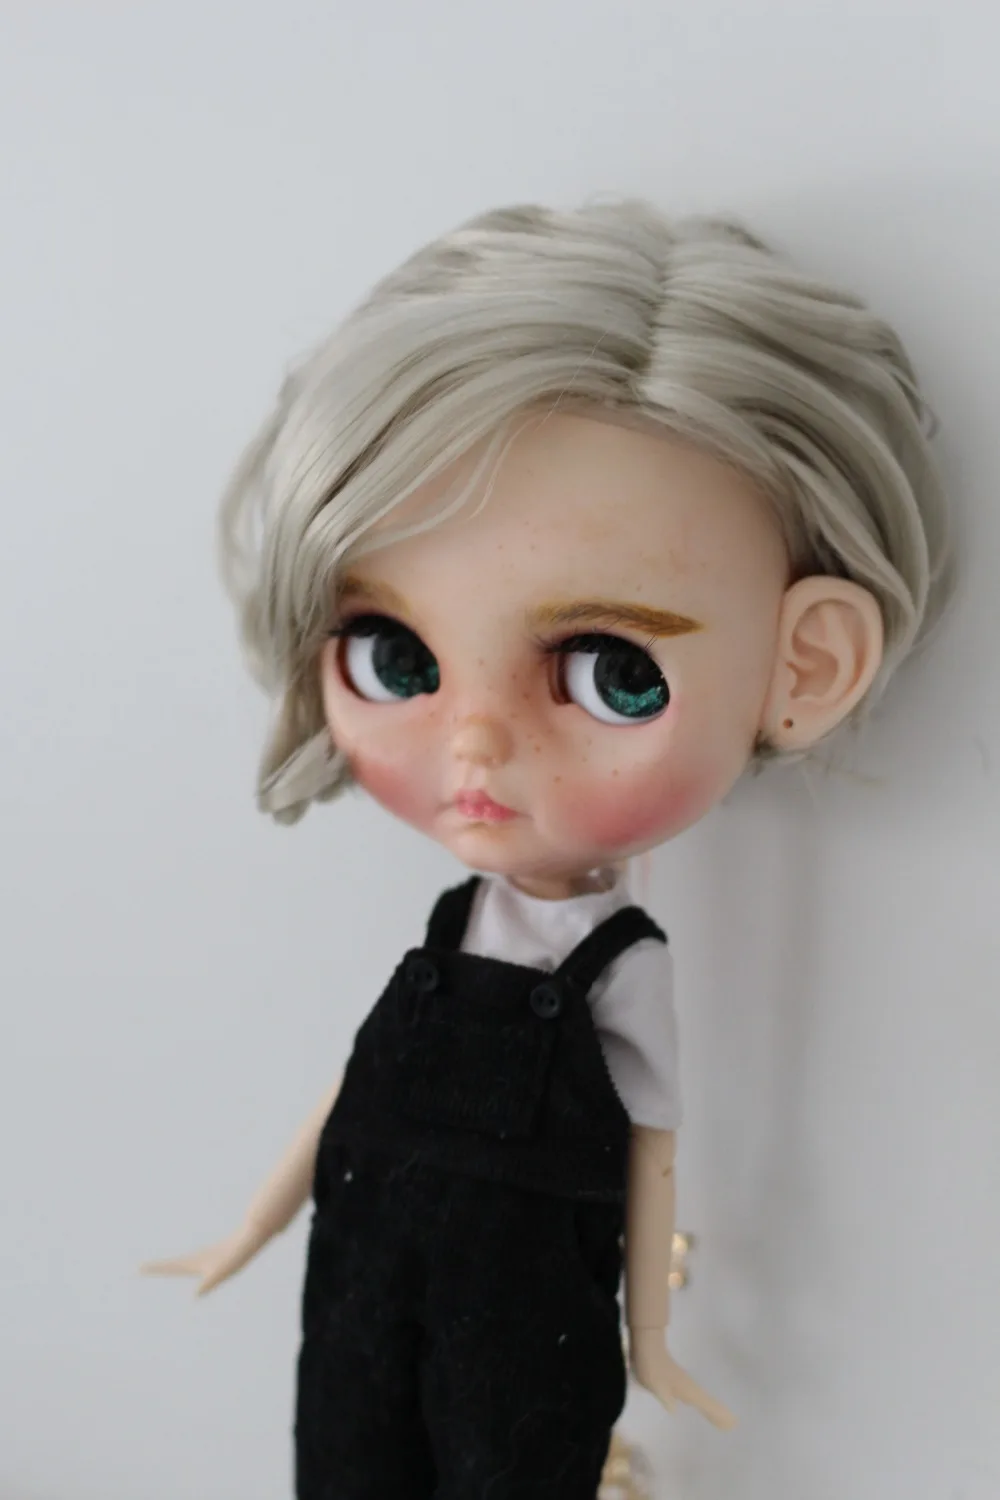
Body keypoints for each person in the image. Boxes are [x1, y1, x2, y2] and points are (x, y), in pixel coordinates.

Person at [144, 200, 951, 1499]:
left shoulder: (622, 962)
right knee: (345, 1458)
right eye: (393, 656)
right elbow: (361, 1090)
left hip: (524, 1289)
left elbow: (650, 1148)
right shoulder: (454, 930)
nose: (474, 745)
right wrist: (257, 1221)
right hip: (367, 1247)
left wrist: (649, 1335)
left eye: (609, 673)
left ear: (804, 667)